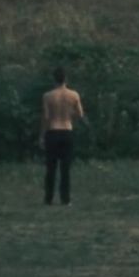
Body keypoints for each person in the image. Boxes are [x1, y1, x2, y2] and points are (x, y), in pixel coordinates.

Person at [39, 67, 84, 206]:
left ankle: (48, 198)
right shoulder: (74, 95)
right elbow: (80, 114)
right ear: (66, 79)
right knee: (65, 169)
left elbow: (46, 117)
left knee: (50, 168)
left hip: (53, 131)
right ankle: (66, 199)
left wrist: (41, 135)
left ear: (54, 79)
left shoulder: (48, 96)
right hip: (67, 131)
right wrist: (70, 117)